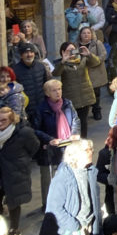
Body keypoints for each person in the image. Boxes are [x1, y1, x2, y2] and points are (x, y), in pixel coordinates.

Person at [0, 107, 40, 235]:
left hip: (15, 171)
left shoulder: (24, 133)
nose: (0, 123)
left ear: (12, 120)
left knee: (14, 200)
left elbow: (34, 147)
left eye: (3, 120)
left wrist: (22, 160)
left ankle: (14, 228)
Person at [46, 139, 102, 235]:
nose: (91, 152)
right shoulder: (62, 178)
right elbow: (54, 209)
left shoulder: (90, 171)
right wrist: (75, 226)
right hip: (74, 229)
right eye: (87, 150)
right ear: (74, 155)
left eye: (91, 149)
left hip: (87, 224)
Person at [35, 80, 79, 208]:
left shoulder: (67, 104)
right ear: (47, 93)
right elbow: (36, 129)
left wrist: (75, 133)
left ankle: (67, 201)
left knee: (69, 173)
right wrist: (49, 139)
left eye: (59, 89)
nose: (58, 92)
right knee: (48, 179)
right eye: (54, 90)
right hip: (49, 148)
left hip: (67, 144)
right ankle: (48, 204)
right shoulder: (41, 108)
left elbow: (76, 120)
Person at [53, 41, 101, 136]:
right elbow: (56, 73)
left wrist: (89, 54)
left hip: (85, 95)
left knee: (83, 121)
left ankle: (83, 142)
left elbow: (96, 62)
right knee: (72, 122)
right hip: (71, 97)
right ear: (63, 52)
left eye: (73, 49)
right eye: (68, 50)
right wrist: (63, 61)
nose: (72, 52)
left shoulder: (82, 59)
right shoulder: (61, 63)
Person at [12, 43, 51, 122]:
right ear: (21, 55)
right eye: (26, 53)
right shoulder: (15, 70)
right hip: (27, 111)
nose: (29, 55)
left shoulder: (41, 66)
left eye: (31, 52)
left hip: (42, 108)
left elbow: (46, 85)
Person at [77, 26, 109, 121]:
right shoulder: (76, 45)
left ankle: (96, 110)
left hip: (96, 72)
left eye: (88, 33)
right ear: (80, 35)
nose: (86, 35)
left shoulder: (97, 43)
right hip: (83, 72)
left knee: (96, 93)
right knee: (85, 93)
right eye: (84, 33)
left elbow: (103, 55)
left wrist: (95, 60)